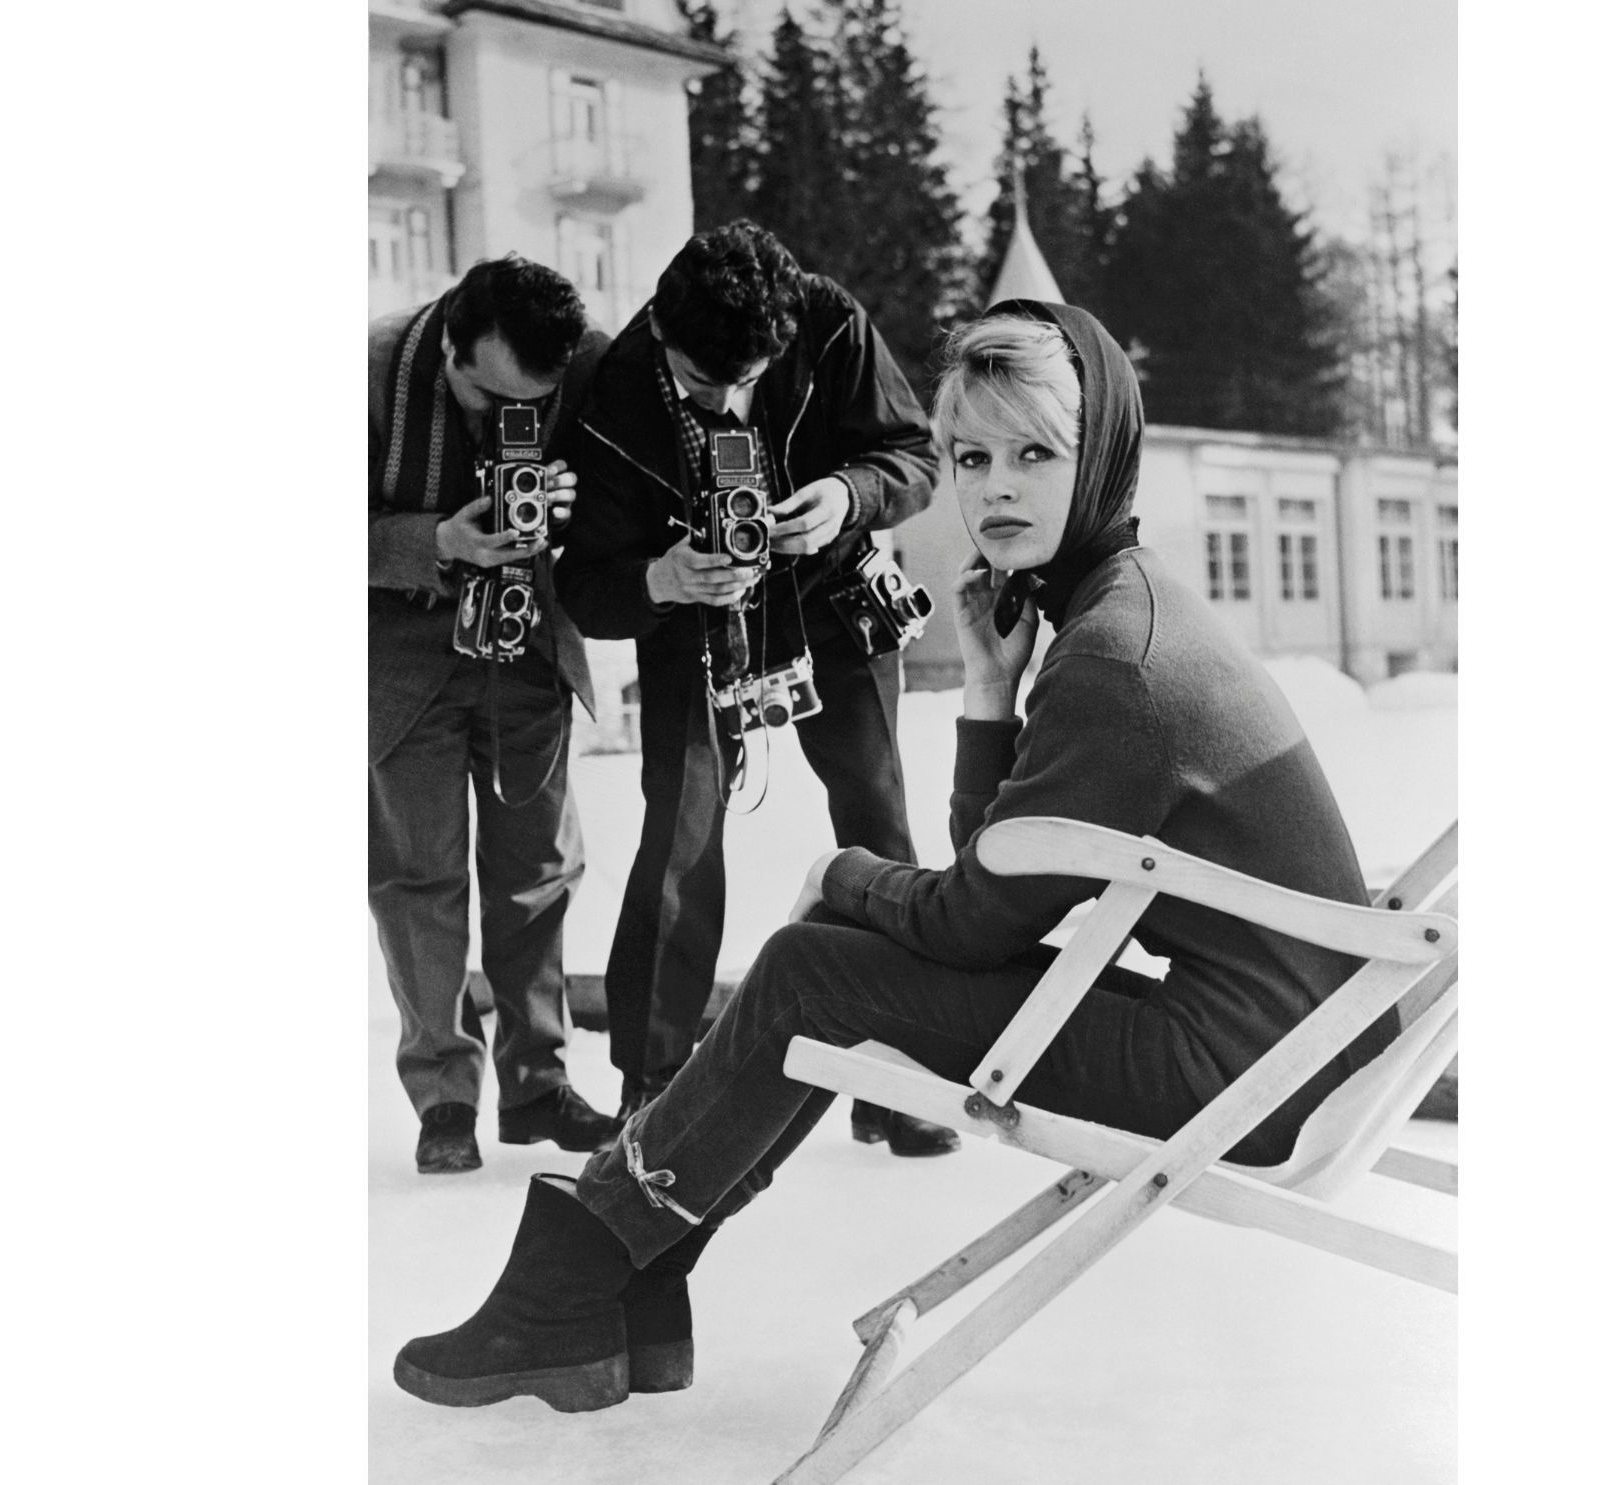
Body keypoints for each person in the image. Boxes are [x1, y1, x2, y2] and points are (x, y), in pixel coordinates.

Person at [390, 301, 1405, 1410]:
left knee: (809, 965)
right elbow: (1008, 869)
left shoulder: (1116, 657)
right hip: (1284, 1045)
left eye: (1034, 453)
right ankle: (624, 1278)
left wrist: (846, 872)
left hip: (1248, 1080)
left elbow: (979, 916)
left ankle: (590, 1280)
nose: (995, 487)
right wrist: (985, 687)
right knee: (828, 956)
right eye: (971, 456)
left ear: (1102, 452)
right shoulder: (1121, 607)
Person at [550, 220, 959, 1157]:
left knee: (880, 827)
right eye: (706, 385)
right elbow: (583, 581)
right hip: (692, 621)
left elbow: (914, 457)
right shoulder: (615, 394)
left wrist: (849, 496)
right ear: (658, 328)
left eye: (752, 380)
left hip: (832, 602)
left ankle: (888, 1073)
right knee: (680, 837)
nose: (732, 404)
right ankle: (650, 1086)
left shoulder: (832, 324)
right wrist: (659, 578)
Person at [369, 257, 621, 1174]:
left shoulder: (588, 368)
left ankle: (538, 1084)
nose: (496, 414)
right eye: (485, 392)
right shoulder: (366, 370)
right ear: (448, 343)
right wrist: (434, 539)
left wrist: (570, 501)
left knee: (540, 873)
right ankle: (444, 1099)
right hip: (403, 665)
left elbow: (624, 496)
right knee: (417, 878)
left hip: (526, 651)